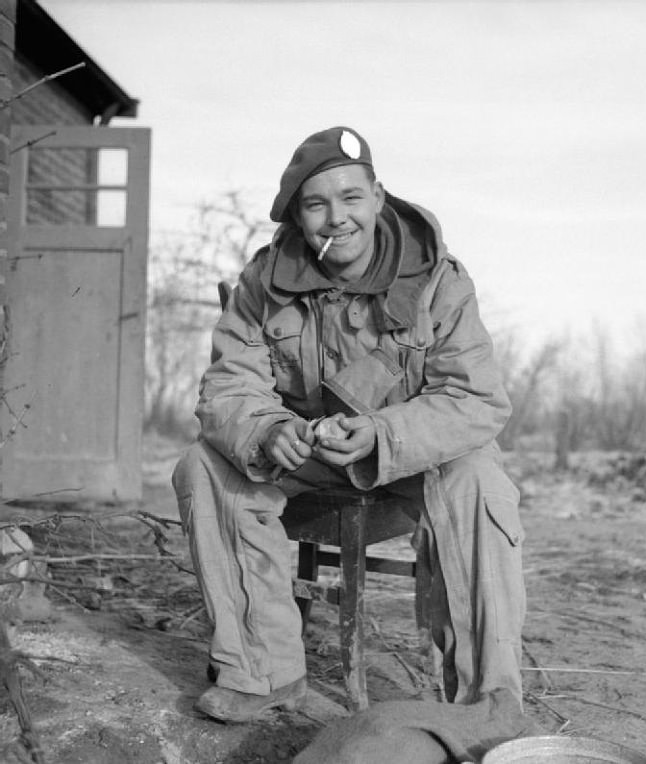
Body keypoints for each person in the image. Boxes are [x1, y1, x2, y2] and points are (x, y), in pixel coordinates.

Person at [172, 126, 526, 723]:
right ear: (297, 216)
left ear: (379, 196)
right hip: (306, 459)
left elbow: (476, 398)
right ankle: (262, 672)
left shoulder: (438, 279)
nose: (337, 218)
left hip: (408, 461)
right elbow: (229, 386)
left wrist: (384, 434)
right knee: (204, 464)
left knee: (479, 479)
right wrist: (265, 430)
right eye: (316, 204)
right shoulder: (263, 284)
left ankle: (487, 700)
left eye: (351, 198)